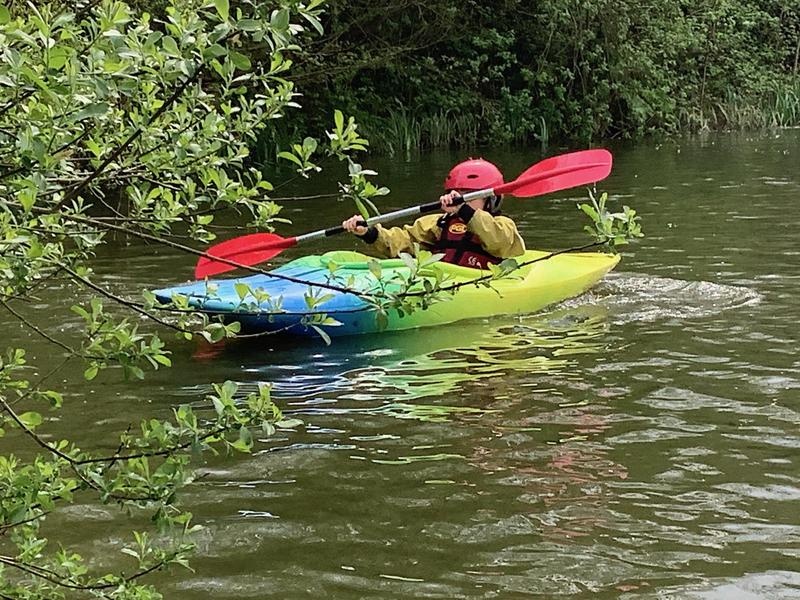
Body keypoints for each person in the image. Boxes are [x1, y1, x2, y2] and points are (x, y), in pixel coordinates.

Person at [341, 159, 525, 269]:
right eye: (456, 194)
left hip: (476, 282)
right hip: (442, 281)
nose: (460, 199)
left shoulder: (502, 224)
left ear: (491, 200)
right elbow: (403, 242)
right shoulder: (438, 223)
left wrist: (464, 210)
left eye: (468, 195)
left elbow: (498, 240)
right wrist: (370, 233)